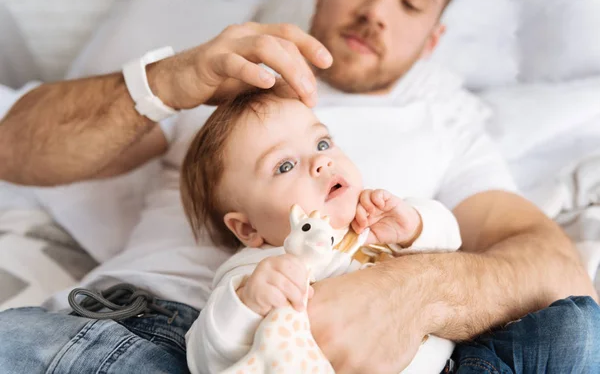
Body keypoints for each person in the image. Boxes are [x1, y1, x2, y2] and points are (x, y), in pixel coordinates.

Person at [0, 0, 598, 372]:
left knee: (579, 336)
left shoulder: (447, 121)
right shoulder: (227, 74)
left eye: (411, 1)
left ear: (434, 36)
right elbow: (12, 148)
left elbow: (556, 272)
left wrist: (409, 291)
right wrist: (167, 83)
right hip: (130, 328)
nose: (375, 10)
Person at [179, 87, 462, 373]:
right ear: (248, 228)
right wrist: (249, 304)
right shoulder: (256, 273)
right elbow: (203, 359)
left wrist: (414, 227)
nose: (321, 161)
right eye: (285, 165)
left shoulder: (384, 216)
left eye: (323, 143)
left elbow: (453, 246)